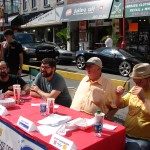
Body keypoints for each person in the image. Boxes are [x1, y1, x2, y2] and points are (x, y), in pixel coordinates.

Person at [115, 63, 150, 150]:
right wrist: (118, 95)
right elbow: (120, 105)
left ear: (149, 79)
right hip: (125, 133)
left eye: (139, 81)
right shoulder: (135, 88)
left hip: (143, 140)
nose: (136, 84)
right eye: (134, 80)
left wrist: (144, 99)